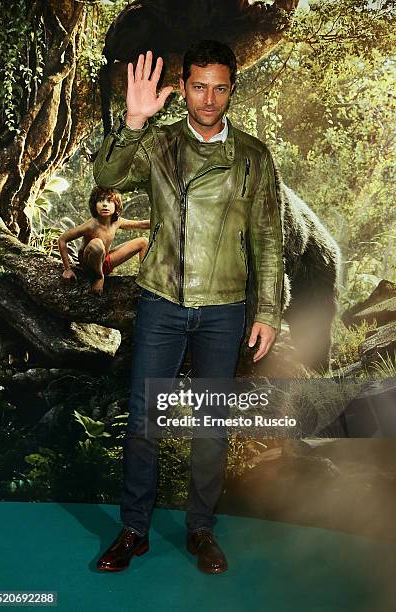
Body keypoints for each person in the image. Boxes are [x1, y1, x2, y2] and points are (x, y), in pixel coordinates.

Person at [93, 40, 284, 574]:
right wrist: (133, 122)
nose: (209, 98)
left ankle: (202, 530)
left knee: (212, 425)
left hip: (225, 308)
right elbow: (106, 179)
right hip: (161, 301)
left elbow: (268, 237)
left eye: (220, 87)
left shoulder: (253, 156)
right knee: (143, 422)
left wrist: (267, 309)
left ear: (231, 90)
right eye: (199, 86)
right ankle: (134, 529)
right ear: (183, 88)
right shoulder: (158, 145)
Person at [58, 186, 150, 294]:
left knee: (143, 241)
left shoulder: (117, 222)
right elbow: (62, 239)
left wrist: (165, 219)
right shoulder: (91, 225)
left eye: (110, 201)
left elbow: (142, 224)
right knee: (97, 243)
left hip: (104, 262)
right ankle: (99, 277)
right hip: (90, 266)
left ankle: (146, 280)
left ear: (116, 205)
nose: (105, 204)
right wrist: (67, 269)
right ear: (94, 205)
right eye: (101, 201)